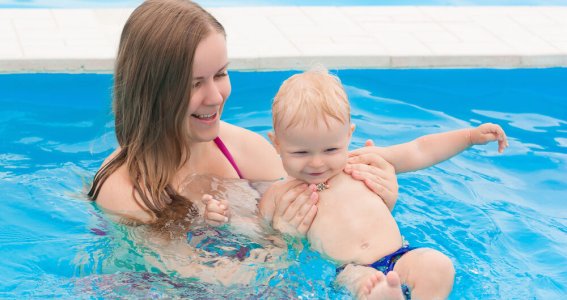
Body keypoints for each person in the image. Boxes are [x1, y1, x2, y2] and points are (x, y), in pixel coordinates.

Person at [87, 0, 399, 280]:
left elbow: (320, 219)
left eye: (220, 74)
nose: (215, 96)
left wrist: (374, 202)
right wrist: (285, 242)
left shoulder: (247, 151)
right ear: (151, 92)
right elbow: (205, 279)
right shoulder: (125, 190)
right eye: (195, 84)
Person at [254, 69, 508, 299]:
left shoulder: (363, 162)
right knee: (368, 287)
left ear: (349, 135)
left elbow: (420, 150)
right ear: (277, 144)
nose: (317, 163)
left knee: (437, 265)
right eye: (301, 153)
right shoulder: (280, 195)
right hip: (350, 270)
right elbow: (260, 237)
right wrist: (283, 233)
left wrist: (469, 137)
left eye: (331, 149)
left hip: (401, 254)